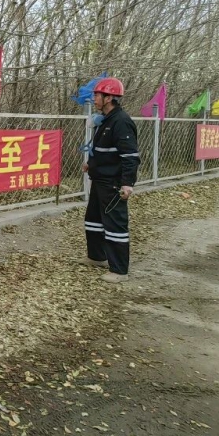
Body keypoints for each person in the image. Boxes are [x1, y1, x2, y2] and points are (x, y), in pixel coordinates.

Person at [82, 76, 141, 282]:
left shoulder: (121, 122)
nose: (94, 99)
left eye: (97, 95)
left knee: (115, 225)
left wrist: (127, 183)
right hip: (99, 179)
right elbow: (104, 149)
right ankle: (97, 257)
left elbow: (130, 156)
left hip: (112, 183)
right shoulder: (106, 120)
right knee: (93, 221)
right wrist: (91, 163)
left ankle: (119, 270)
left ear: (108, 98)